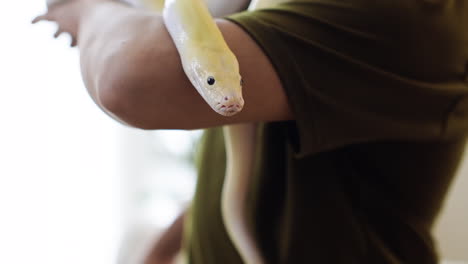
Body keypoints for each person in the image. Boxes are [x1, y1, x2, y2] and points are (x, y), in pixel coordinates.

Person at [33, 0, 468, 263]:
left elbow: (129, 79)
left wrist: (87, 7)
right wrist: (170, 241)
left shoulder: (404, 14)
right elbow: (293, 177)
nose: (231, 102)